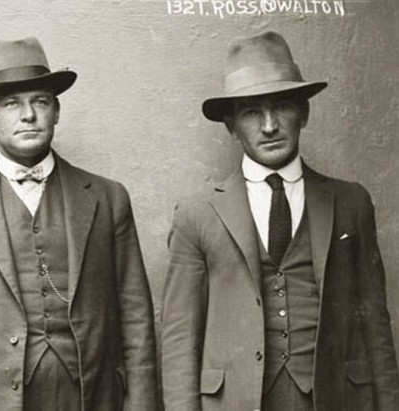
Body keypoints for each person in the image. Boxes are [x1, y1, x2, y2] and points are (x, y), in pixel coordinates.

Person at [0, 37, 157, 411]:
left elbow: (136, 318)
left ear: (56, 111)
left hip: (93, 398)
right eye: (11, 103)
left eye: (40, 102)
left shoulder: (108, 199)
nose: (28, 115)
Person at [161, 31, 399, 410]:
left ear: (304, 113)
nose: (269, 125)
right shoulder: (197, 215)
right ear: (230, 126)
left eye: (282, 107)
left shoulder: (351, 202)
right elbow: (179, 340)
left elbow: (375, 325)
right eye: (251, 112)